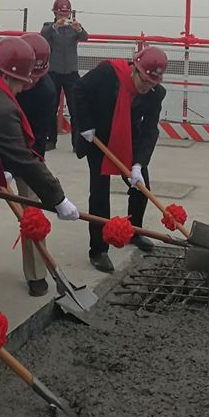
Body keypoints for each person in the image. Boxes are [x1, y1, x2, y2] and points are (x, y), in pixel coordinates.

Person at [0, 33, 68, 299]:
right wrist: (1, 167)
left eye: (35, 77)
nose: (28, 84)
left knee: (32, 208)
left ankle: (36, 272)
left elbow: (37, 137)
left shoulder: (46, 92)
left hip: (26, 154)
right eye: (26, 77)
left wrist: (14, 169)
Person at [74, 46, 167, 272]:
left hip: (128, 138)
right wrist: (85, 125)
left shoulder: (156, 94)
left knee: (141, 187)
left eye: (151, 83)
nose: (146, 87)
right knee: (99, 193)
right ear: (135, 68)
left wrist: (138, 164)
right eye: (144, 81)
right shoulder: (108, 73)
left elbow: (150, 131)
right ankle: (99, 250)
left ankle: (135, 230)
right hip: (97, 136)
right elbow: (78, 90)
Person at [40, 0, 88, 150]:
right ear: (55, 13)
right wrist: (55, 26)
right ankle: (51, 140)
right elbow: (43, 35)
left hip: (71, 73)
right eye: (61, 14)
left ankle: (77, 143)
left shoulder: (74, 28)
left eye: (66, 14)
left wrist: (78, 29)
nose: (64, 17)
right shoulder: (49, 27)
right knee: (50, 107)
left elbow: (85, 37)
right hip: (53, 72)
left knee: (75, 108)